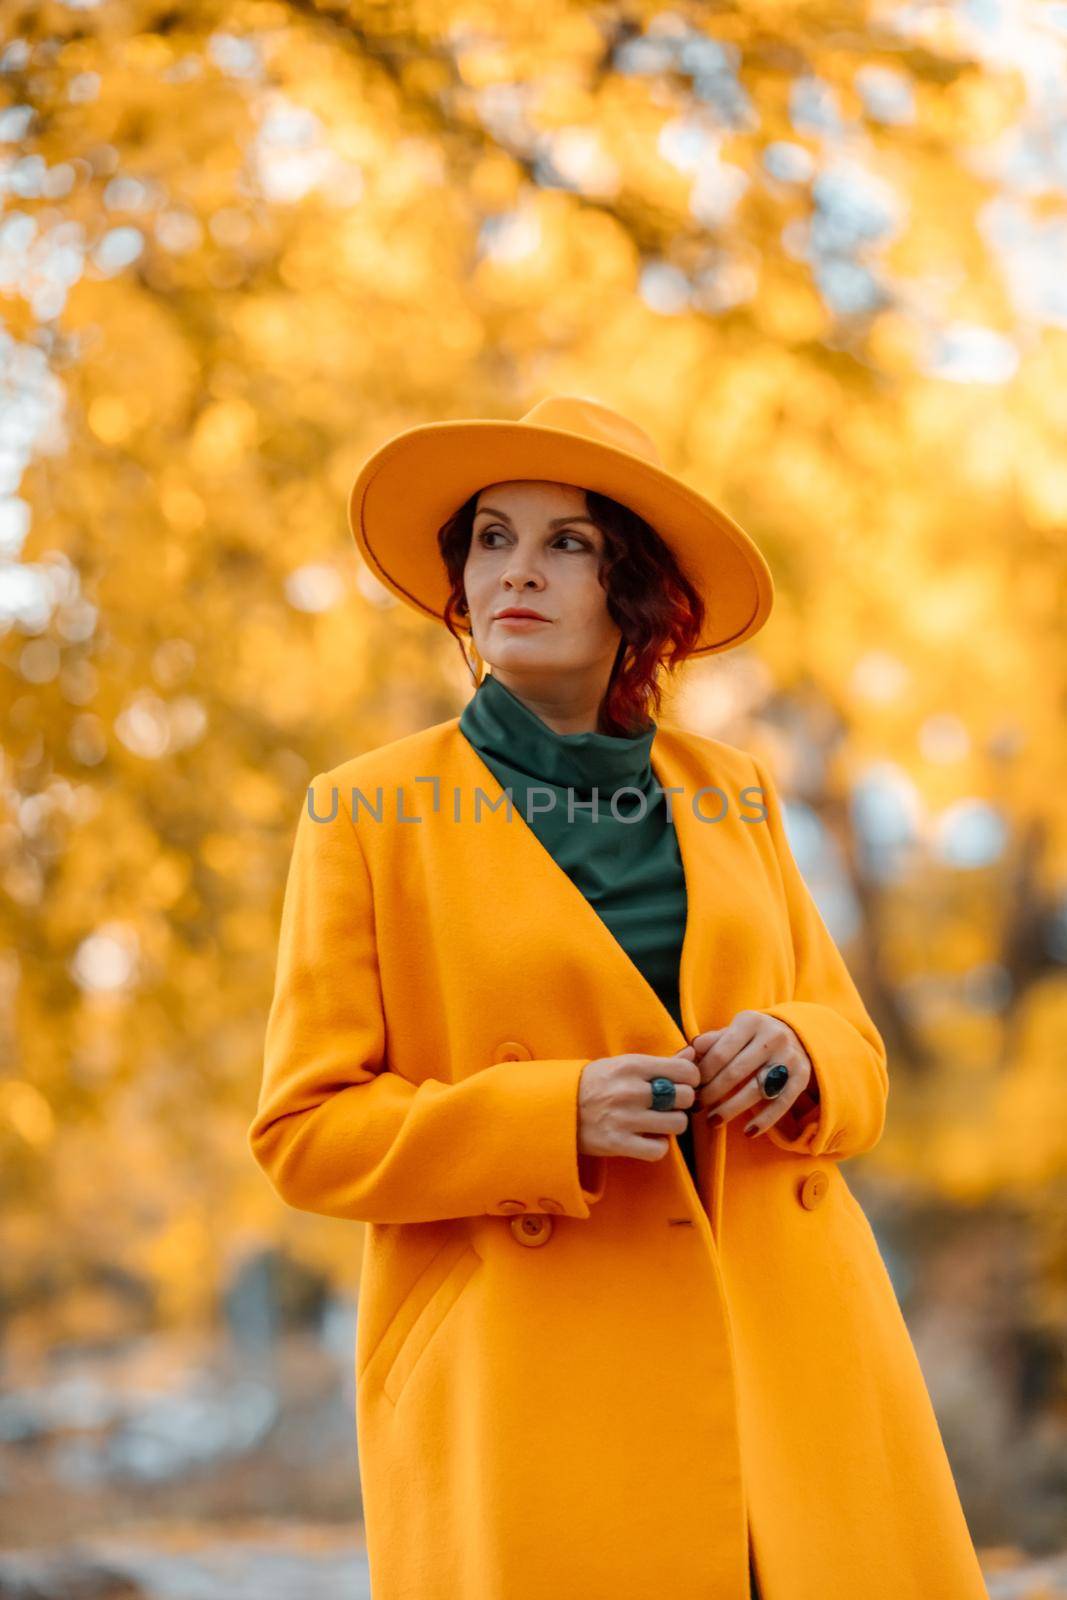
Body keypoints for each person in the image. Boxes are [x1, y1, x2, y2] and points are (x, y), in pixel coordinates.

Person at [248, 396, 990, 1600]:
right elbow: (302, 1134)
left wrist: (796, 1052)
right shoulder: (366, 810)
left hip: (790, 1362)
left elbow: (856, 1052)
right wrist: (549, 1119)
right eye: (490, 538)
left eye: (565, 542)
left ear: (631, 590)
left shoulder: (732, 789)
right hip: (540, 1384)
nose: (515, 572)